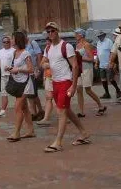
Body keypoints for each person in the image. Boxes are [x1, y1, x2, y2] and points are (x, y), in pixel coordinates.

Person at [41, 22, 91, 153]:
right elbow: (43, 62)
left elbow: (74, 66)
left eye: (52, 31)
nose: (50, 33)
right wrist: (45, 65)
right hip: (55, 82)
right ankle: (84, 133)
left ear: (57, 31)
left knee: (61, 112)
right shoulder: (48, 48)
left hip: (66, 81)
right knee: (67, 110)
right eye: (48, 32)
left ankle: (58, 142)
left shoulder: (66, 46)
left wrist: (73, 86)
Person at [6, 32, 36, 142]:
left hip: (25, 84)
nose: (11, 40)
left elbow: (31, 69)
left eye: (12, 38)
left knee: (17, 107)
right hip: (18, 83)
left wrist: (18, 70)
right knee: (24, 108)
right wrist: (10, 68)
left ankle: (16, 133)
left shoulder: (25, 53)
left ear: (17, 40)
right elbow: (16, 67)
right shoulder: (15, 53)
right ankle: (30, 131)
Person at [74, 29, 105, 117]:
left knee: (88, 90)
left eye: (76, 34)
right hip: (79, 70)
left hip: (87, 69)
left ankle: (100, 105)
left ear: (81, 35)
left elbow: (92, 59)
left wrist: (80, 58)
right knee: (79, 90)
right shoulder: (77, 45)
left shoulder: (87, 45)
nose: (75, 35)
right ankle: (81, 111)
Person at [0, 35, 14, 118]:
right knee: (4, 93)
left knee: (17, 93)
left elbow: (16, 62)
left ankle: (21, 109)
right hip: (3, 76)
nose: (6, 43)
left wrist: (12, 69)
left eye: (7, 42)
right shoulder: (0, 51)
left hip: (12, 75)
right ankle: (3, 111)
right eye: (4, 42)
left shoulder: (14, 51)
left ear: (10, 42)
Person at [25, 32, 44, 120]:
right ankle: (34, 112)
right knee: (30, 94)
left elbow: (39, 55)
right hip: (26, 72)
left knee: (34, 93)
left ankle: (38, 111)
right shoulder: (21, 45)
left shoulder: (33, 43)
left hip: (34, 71)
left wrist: (38, 68)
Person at [95, 31, 120, 99]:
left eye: (100, 36)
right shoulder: (98, 43)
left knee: (111, 79)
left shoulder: (109, 41)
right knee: (103, 79)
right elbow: (98, 53)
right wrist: (97, 63)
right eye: (98, 36)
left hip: (109, 63)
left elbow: (113, 52)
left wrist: (112, 62)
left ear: (104, 35)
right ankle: (107, 93)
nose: (99, 37)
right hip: (101, 65)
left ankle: (118, 90)